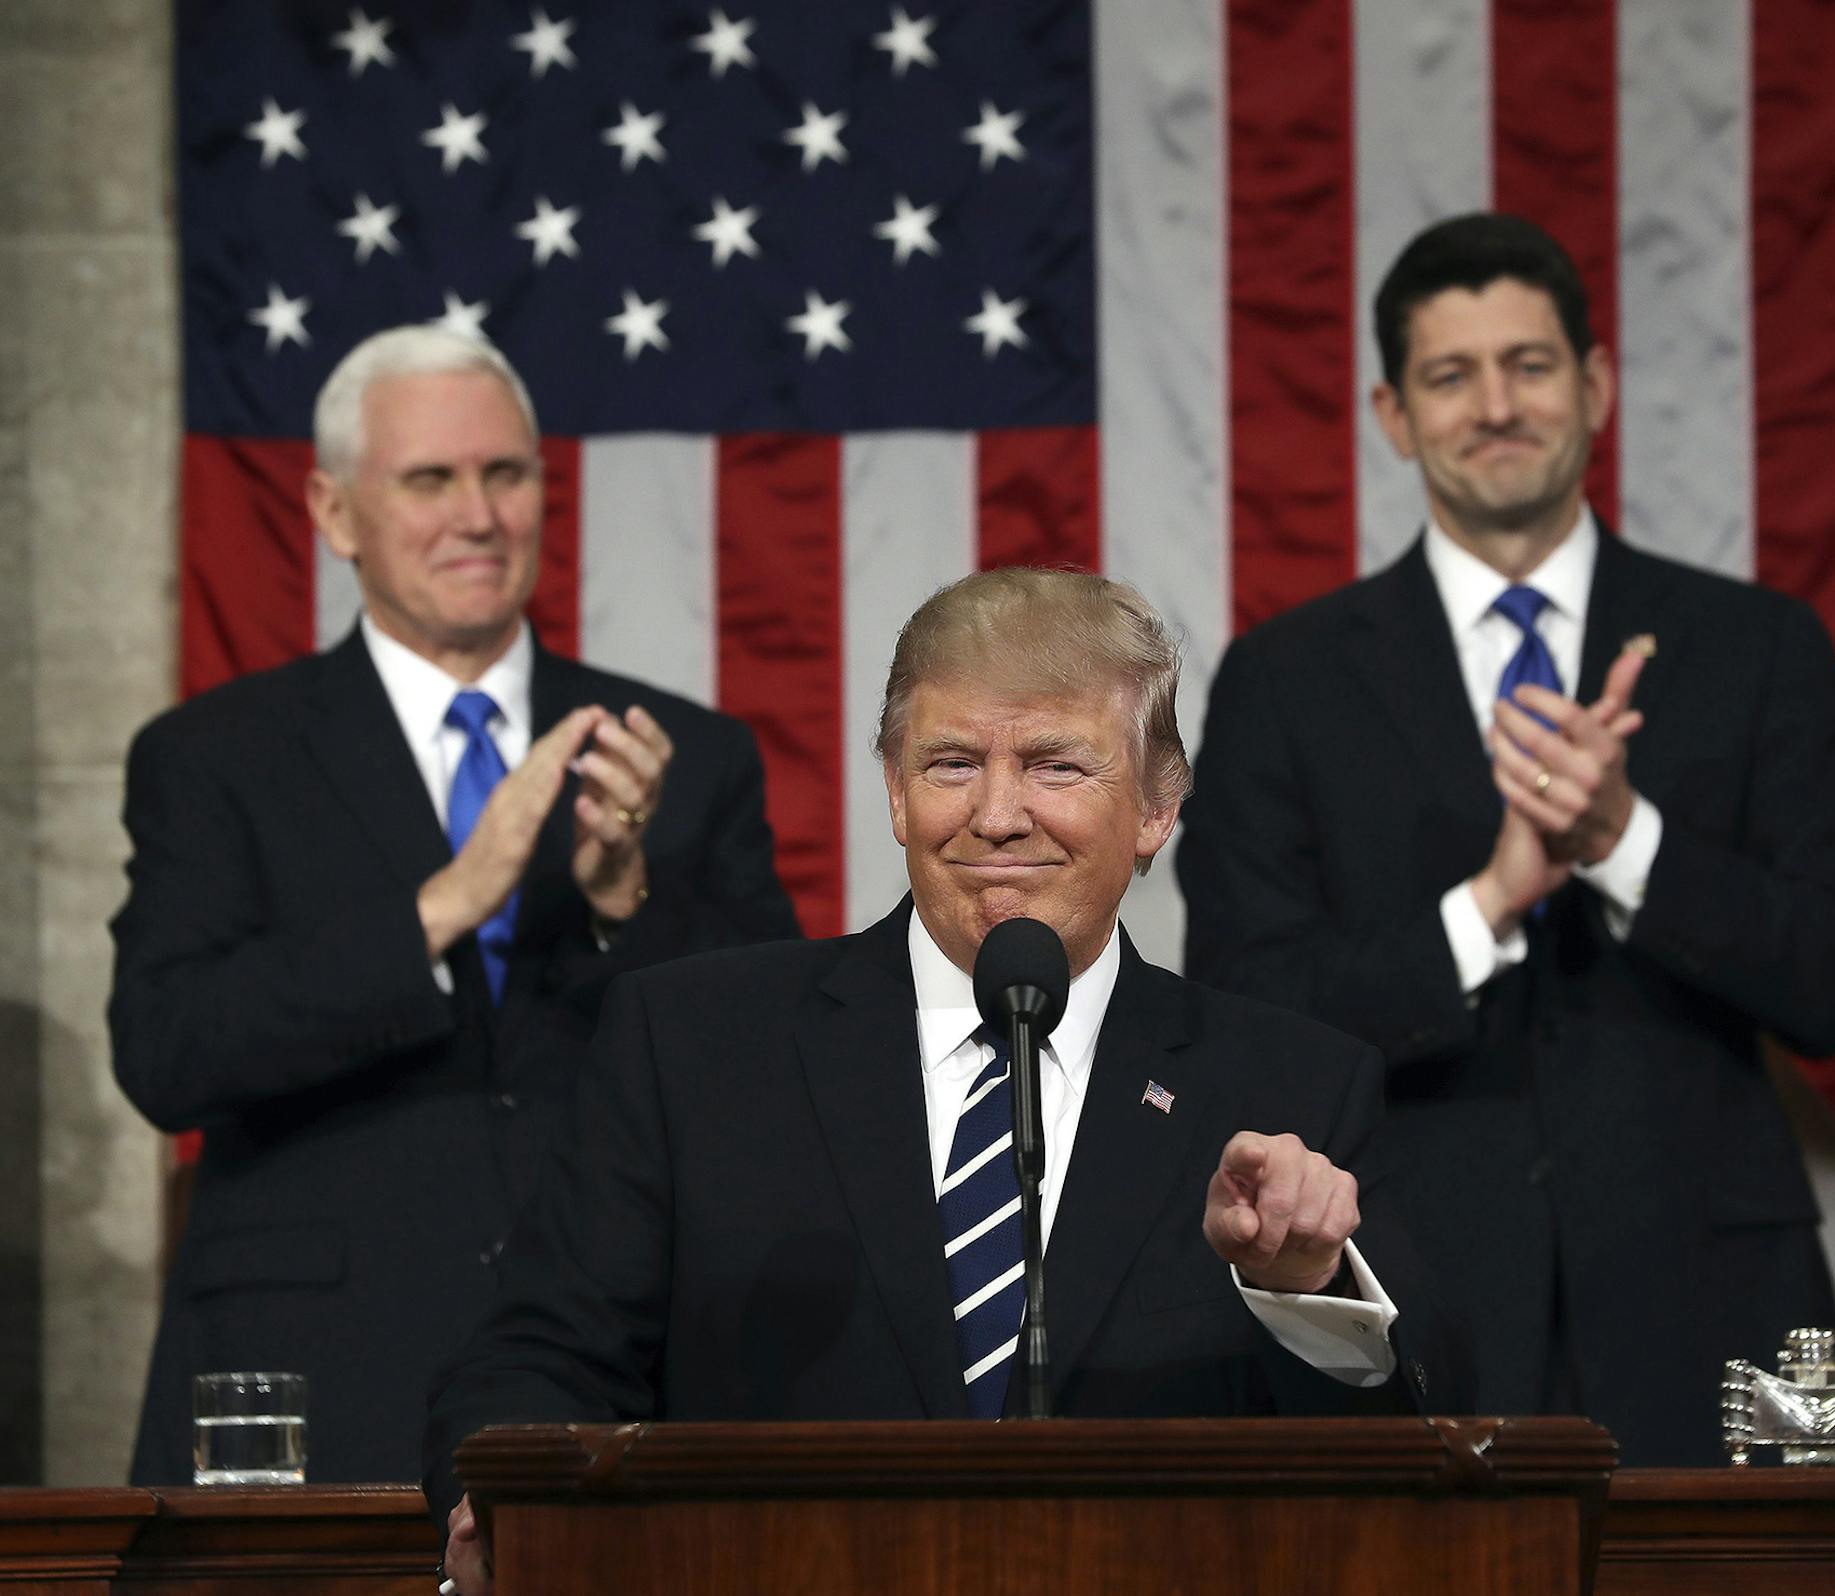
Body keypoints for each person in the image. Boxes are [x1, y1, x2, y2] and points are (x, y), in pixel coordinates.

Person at [423, 569, 1451, 1594]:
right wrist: (507, 1499)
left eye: (1056, 766)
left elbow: (1420, 1443)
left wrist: (1305, 1286)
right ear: (894, 790)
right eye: (953, 762)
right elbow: (537, 1357)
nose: (998, 815)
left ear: (1156, 809)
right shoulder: (692, 1046)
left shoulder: (1288, 1084)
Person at [1175, 213, 1835, 1465]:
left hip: (1710, 1310)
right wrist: (1487, 905)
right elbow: (1247, 1002)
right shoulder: (1287, 680)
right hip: (1416, 1298)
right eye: (1452, 376)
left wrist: (1624, 840)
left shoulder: (1758, 647)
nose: (1495, 405)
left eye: (1531, 365)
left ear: (1597, 386)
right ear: (1394, 415)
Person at [111, 325, 802, 1485]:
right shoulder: (215, 757)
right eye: (430, 479)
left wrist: (625, 905)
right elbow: (168, 1051)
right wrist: (443, 904)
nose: (478, 516)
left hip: (610, 1374)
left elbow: (773, 1068)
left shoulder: (683, 755)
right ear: (334, 515)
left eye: (506, 475)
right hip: (318, 1377)